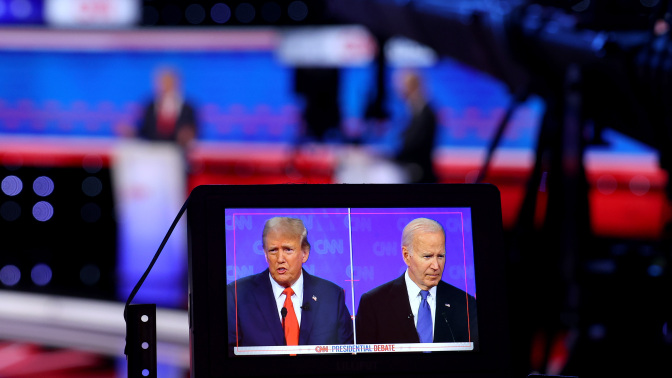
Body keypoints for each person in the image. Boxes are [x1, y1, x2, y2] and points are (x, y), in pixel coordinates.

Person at [227, 217, 354, 355]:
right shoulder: (238, 295)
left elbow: (344, 355)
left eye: (288, 249)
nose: (280, 259)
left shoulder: (332, 296)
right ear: (265, 254)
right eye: (273, 250)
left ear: (304, 253)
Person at [355, 218, 478, 348]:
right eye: (427, 256)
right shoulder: (373, 303)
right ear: (406, 255)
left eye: (440, 256)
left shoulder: (465, 304)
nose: (436, 266)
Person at [394, 70, 439, 183]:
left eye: (402, 87)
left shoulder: (425, 114)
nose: (399, 92)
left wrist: (390, 157)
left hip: (420, 177)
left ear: (410, 87)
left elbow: (413, 145)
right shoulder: (414, 111)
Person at [137, 67, 198, 150]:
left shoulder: (188, 108)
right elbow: (143, 131)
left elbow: (194, 132)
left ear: (177, 83)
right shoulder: (150, 106)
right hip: (154, 151)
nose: (165, 85)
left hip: (178, 152)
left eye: (169, 82)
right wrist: (131, 133)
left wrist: (187, 137)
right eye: (163, 82)